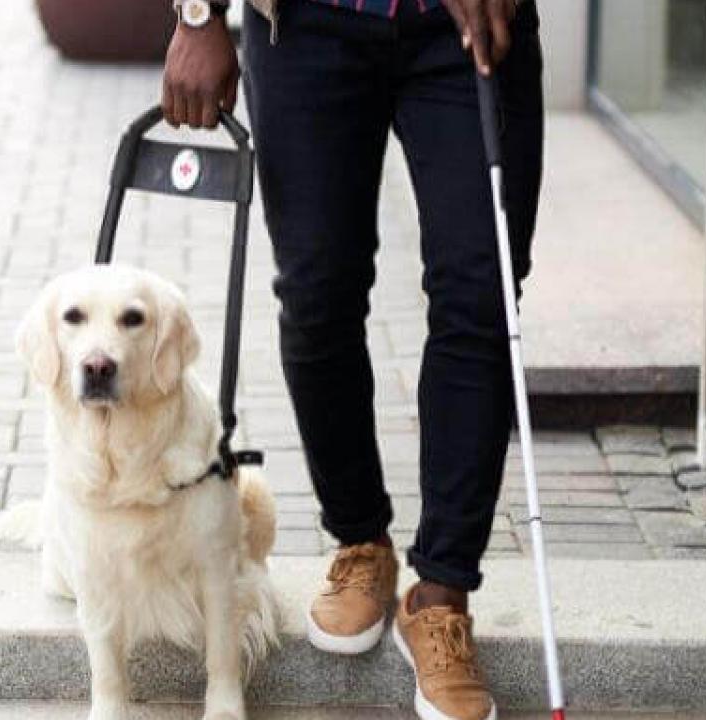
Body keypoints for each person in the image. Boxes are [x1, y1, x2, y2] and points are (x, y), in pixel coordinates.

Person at [162, 0, 542, 717]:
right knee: (317, 296)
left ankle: (443, 592)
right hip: (308, 24)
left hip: (463, 28)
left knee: (481, 296)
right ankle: (360, 539)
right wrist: (198, 12)